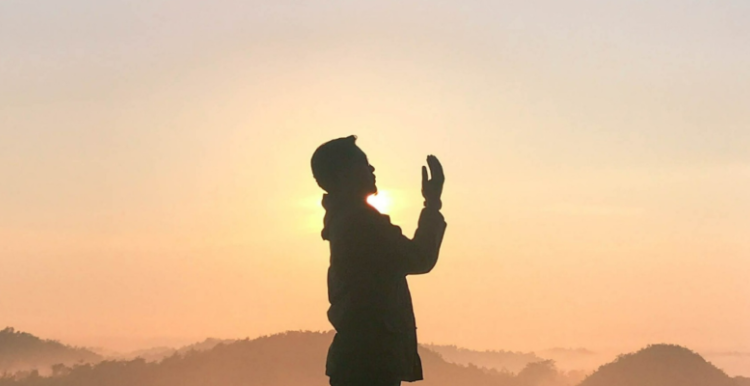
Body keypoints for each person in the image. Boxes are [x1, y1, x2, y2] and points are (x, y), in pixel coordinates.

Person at [311, 135, 447, 386]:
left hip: (359, 361)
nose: (372, 169)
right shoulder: (361, 222)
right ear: (344, 174)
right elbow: (419, 258)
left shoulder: (346, 219)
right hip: (369, 364)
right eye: (364, 164)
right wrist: (432, 204)